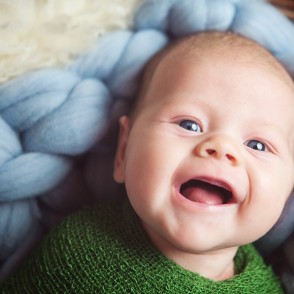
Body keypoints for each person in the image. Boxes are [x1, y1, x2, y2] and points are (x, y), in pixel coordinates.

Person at [1, 31, 293, 293]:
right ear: (123, 151)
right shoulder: (79, 251)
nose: (221, 148)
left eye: (257, 145)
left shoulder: (267, 287)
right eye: (190, 125)